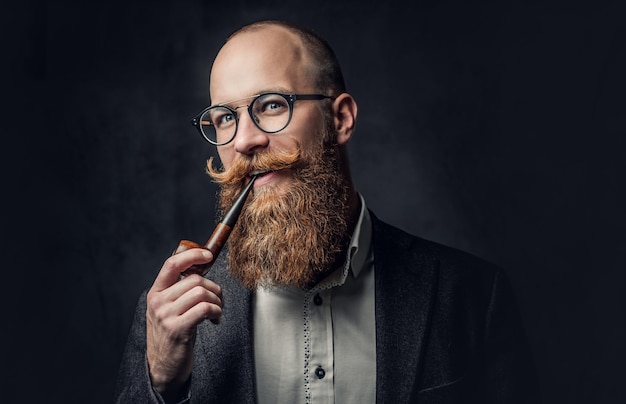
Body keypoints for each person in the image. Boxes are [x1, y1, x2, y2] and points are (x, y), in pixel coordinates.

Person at [115, 19, 540, 403]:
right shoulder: (167, 317)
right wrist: (165, 385)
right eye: (225, 117)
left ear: (340, 119)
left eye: (271, 105)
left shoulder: (472, 296)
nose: (244, 140)